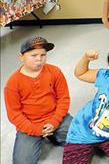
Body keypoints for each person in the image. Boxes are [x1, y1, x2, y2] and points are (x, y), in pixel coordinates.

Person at [4, 36, 72, 164]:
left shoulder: (55, 72)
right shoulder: (13, 83)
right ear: (21, 57)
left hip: (57, 118)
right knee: (22, 162)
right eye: (33, 55)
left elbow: (63, 99)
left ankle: (54, 136)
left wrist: (54, 121)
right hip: (30, 125)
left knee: (87, 137)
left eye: (43, 55)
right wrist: (36, 130)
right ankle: (50, 136)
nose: (39, 59)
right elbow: (14, 114)